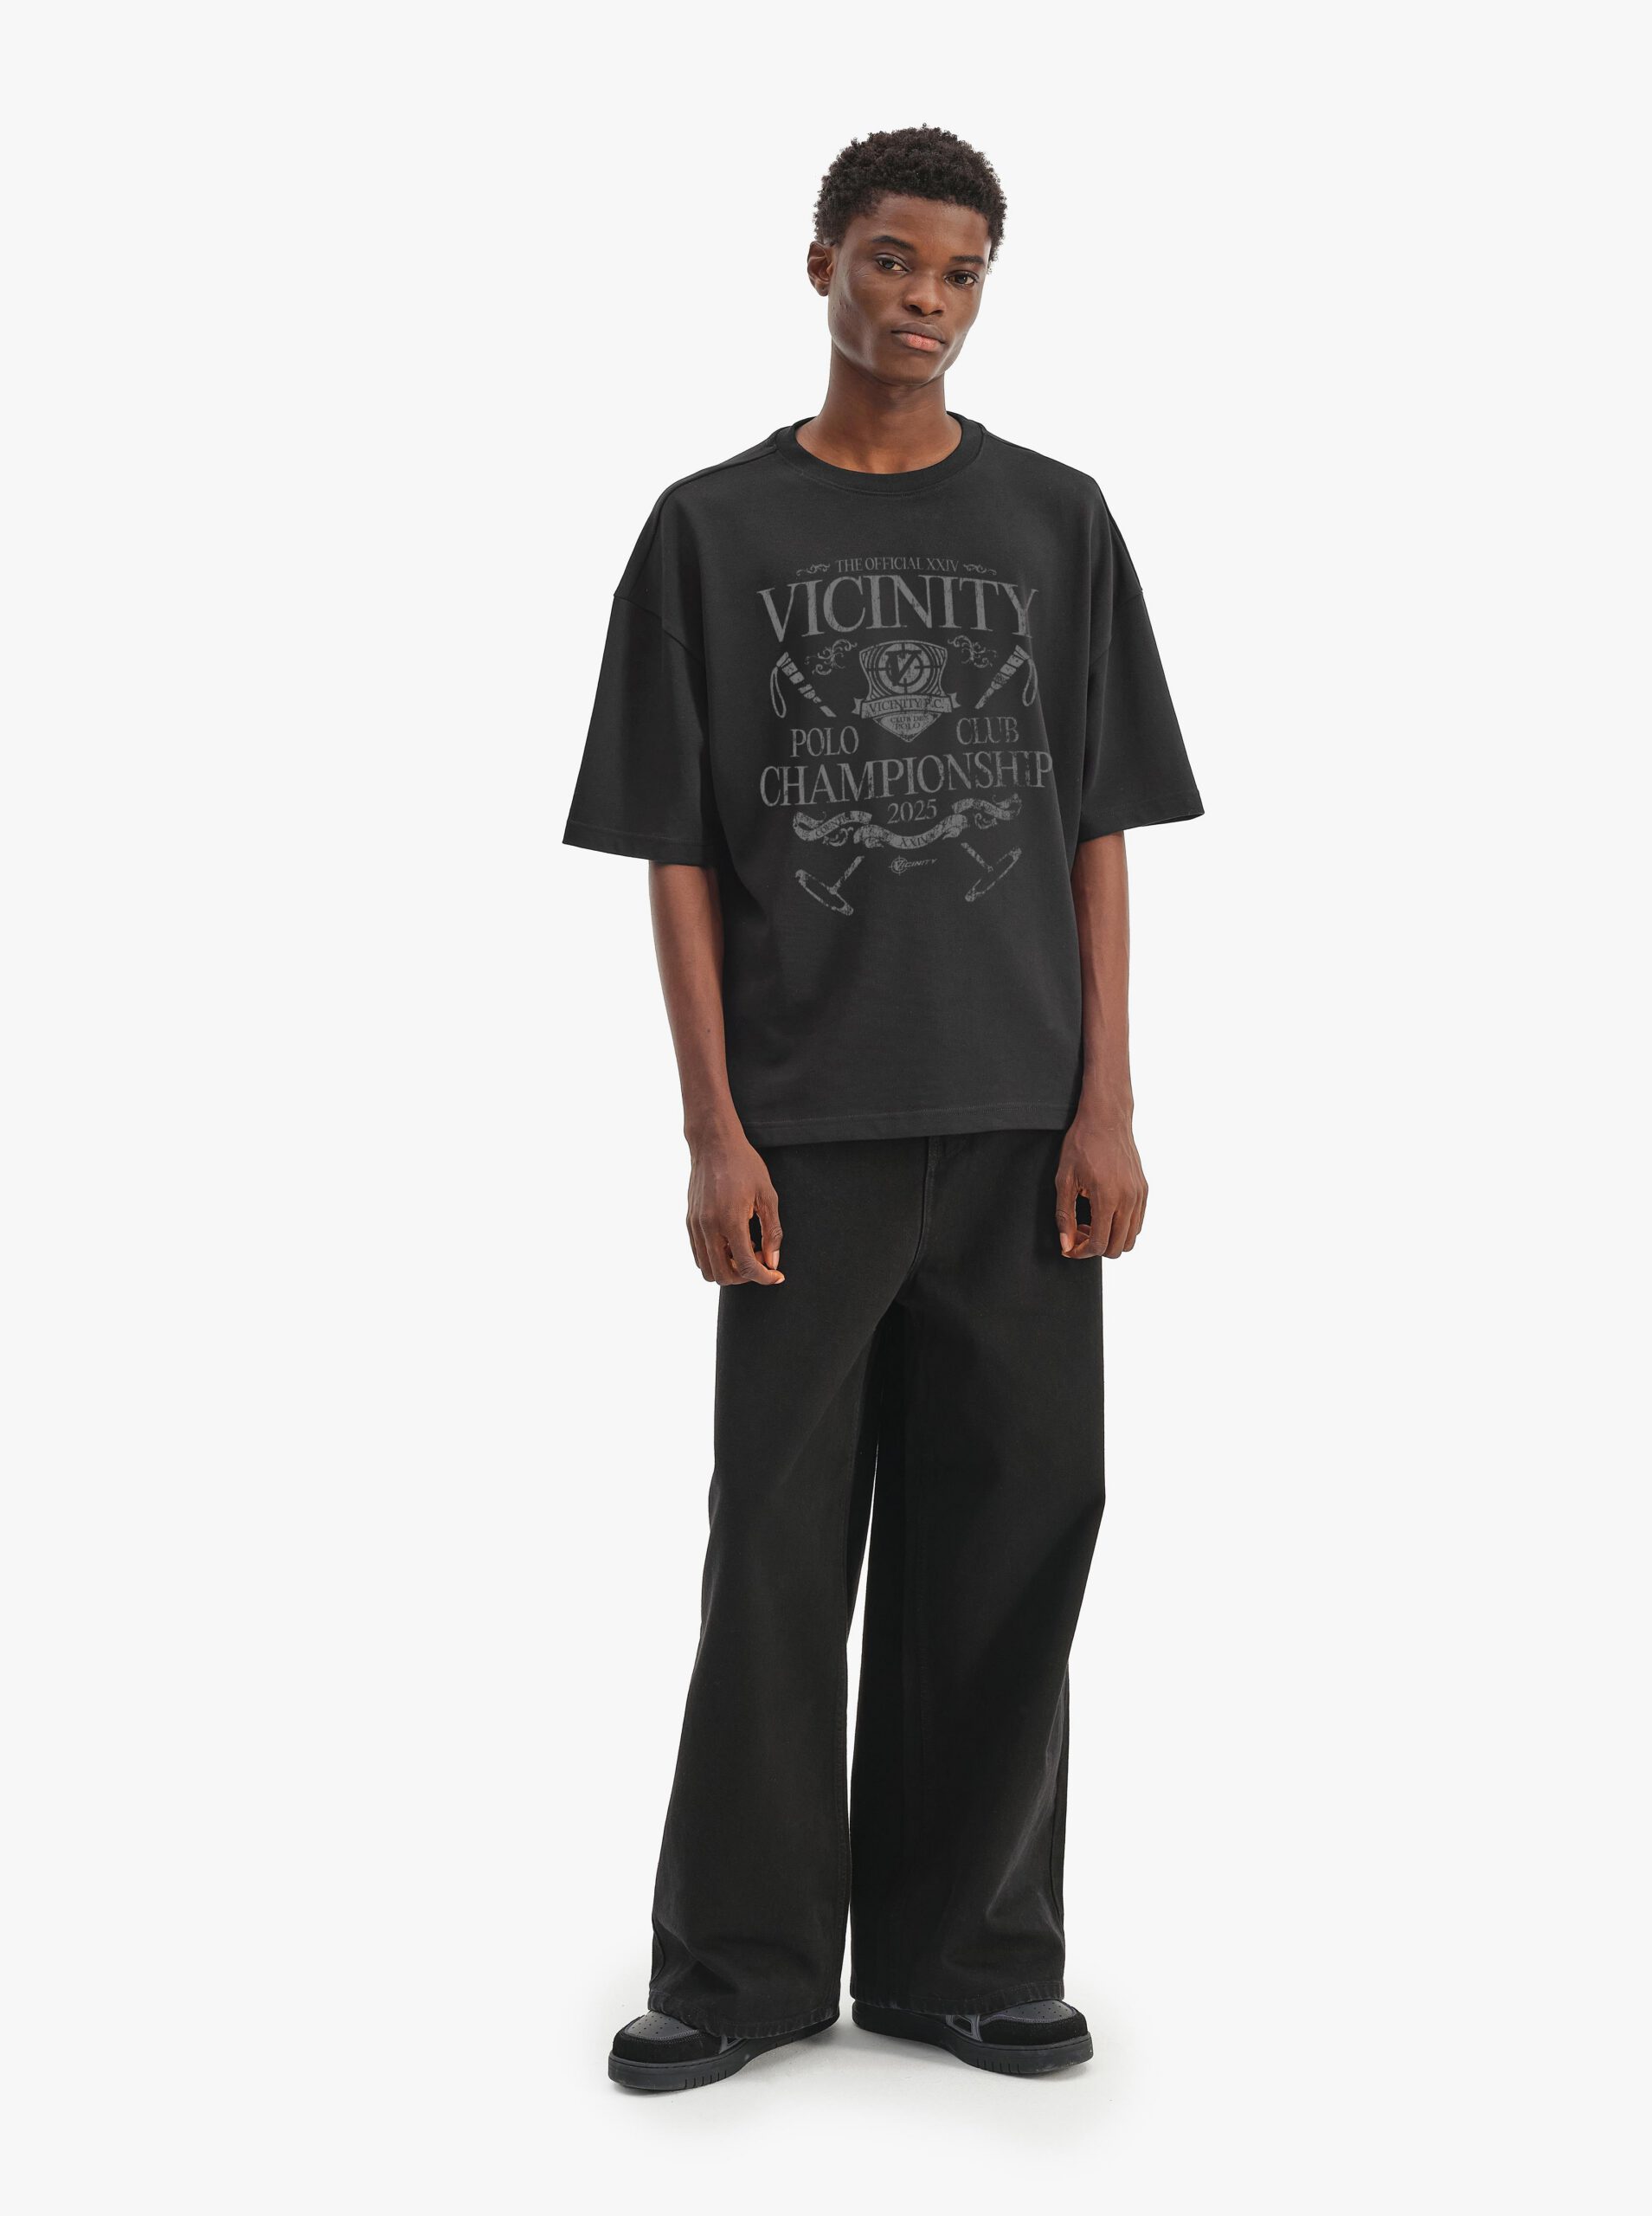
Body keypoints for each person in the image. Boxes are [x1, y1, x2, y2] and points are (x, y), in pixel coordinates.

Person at [564, 126, 1203, 2093]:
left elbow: (1095, 825)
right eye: (893, 261)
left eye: (960, 273)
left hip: (1021, 1126)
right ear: (822, 263)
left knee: (1015, 1529)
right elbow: (675, 849)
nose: (924, 301)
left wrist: (1107, 1099)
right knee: (772, 1546)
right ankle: (739, 1968)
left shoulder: (1057, 521)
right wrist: (712, 1128)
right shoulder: (708, 531)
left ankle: (967, 1957)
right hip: (806, 1130)